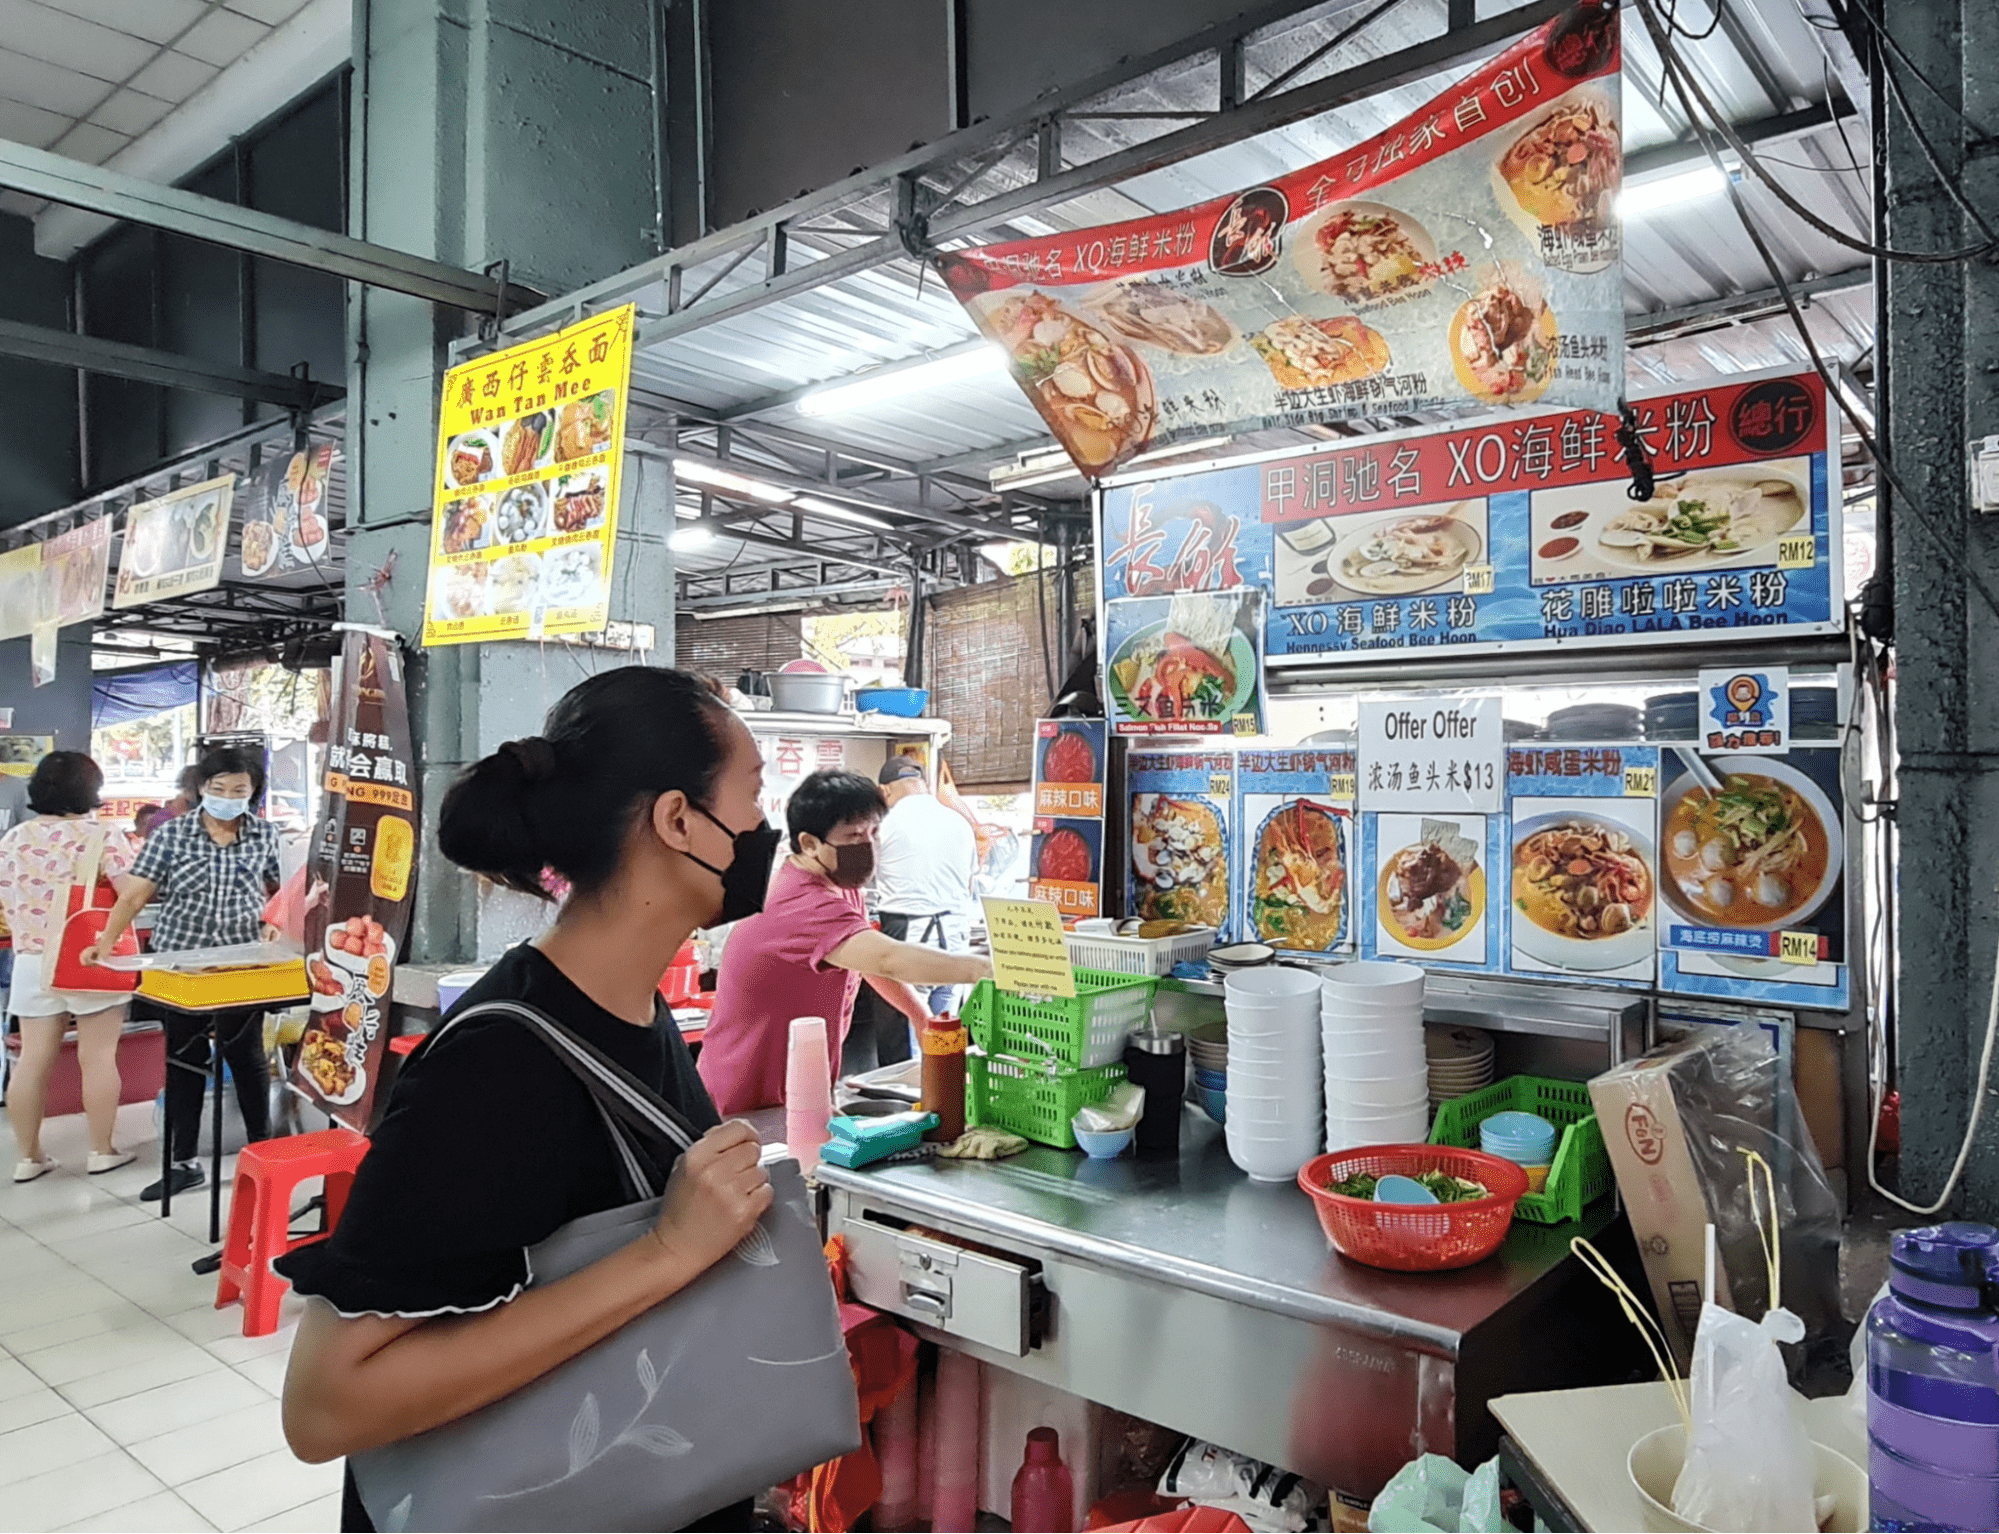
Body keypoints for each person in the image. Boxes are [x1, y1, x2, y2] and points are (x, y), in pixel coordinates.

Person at [277, 667, 780, 1533]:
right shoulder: (500, 1060)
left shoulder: (631, 1004)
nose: (764, 830)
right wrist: (665, 1252)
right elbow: (324, 1408)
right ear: (676, 820)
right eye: (752, 795)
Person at [697, 768, 990, 1116]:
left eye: (875, 832)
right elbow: (887, 959)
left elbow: (866, 962)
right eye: (853, 836)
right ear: (809, 843)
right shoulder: (800, 902)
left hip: (798, 1090)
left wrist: (918, 1014)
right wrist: (983, 968)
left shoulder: (841, 886)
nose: (868, 846)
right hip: (745, 1099)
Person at [82, 746, 281, 1200]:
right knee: (184, 1061)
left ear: (253, 793)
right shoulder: (171, 836)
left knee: (247, 1059)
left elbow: (279, 893)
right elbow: (132, 896)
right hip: (181, 965)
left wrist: (275, 925)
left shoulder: (265, 836)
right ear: (201, 789)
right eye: (218, 789)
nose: (228, 797)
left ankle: (264, 1154)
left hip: (241, 965)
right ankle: (183, 1163)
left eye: (239, 790)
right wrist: (105, 942)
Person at [0, 752, 138, 1182]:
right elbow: (132, 892)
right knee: (96, 1057)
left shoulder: (14, 838)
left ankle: (29, 1157)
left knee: (33, 1060)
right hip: (89, 955)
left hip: (30, 960)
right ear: (90, 791)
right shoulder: (103, 835)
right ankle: (101, 1150)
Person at [873, 755, 980, 1020]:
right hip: (956, 938)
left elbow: (860, 876)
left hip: (909, 936)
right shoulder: (960, 822)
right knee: (945, 1029)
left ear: (883, 790)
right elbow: (969, 881)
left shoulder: (883, 825)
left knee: (910, 1026)